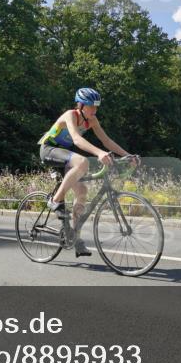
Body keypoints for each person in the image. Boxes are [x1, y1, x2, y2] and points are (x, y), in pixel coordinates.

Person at [37, 88, 137, 257]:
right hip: (49, 150)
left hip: (65, 156)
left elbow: (106, 140)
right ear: (81, 105)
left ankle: (75, 238)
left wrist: (128, 155)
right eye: (91, 106)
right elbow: (76, 139)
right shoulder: (71, 115)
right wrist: (99, 153)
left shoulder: (92, 120)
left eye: (96, 107)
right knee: (82, 161)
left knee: (82, 191)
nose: (94, 110)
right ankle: (55, 200)